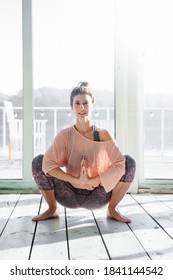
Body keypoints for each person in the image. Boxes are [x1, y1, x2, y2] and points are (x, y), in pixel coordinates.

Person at [32, 82, 136, 223]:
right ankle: (52, 209)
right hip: (69, 194)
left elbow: (120, 164)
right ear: (72, 107)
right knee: (38, 161)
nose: (82, 107)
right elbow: (47, 164)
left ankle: (112, 209)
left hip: (97, 195)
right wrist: (74, 179)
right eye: (77, 103)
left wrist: (91, 180)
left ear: (93, 104)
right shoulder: (65, 135)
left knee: (129, 162)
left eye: (86, 103)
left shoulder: (103, 135)